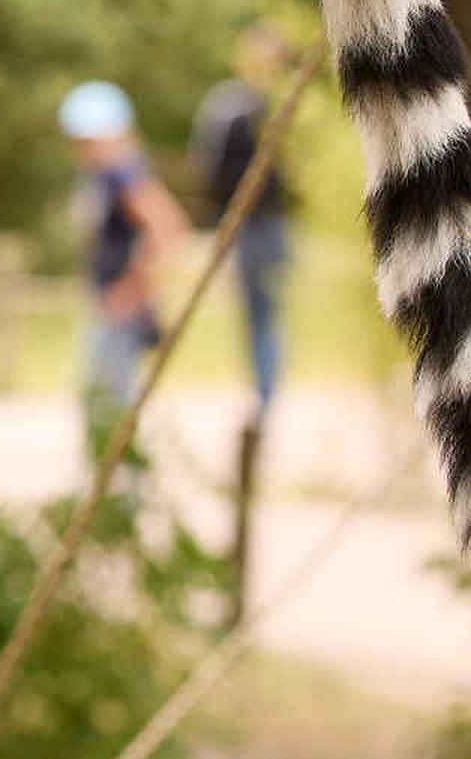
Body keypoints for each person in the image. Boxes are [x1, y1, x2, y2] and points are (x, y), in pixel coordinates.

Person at [57, 79, 191, 445]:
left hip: (120, 312)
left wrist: (132, 290)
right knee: (104, 401)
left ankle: (123, 494)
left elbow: (166, 228)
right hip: (106, 304)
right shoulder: (103, 175)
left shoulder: (122, 173)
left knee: (109, 405)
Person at [179, 25, 298, 431]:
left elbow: (208, 170)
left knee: (260, 315)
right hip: (267, 224)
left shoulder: (238, 107)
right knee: (265, 314)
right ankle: (266, 394)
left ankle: (265, 399)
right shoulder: (261, 106)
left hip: (257, 227)